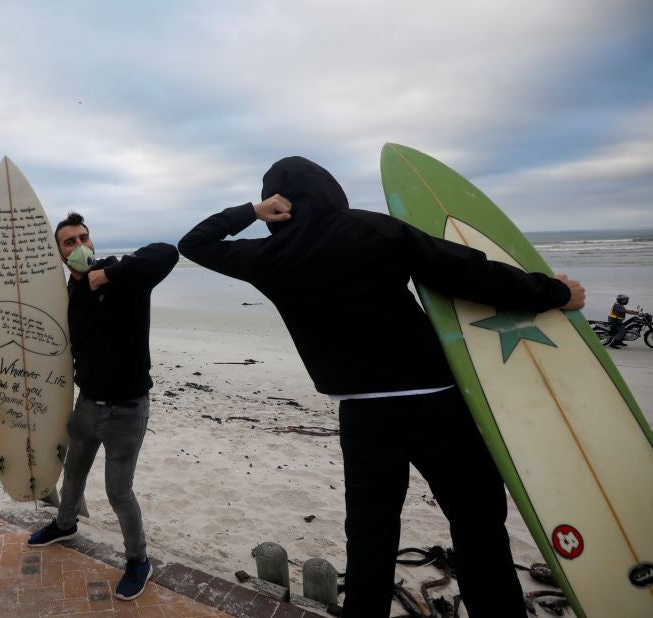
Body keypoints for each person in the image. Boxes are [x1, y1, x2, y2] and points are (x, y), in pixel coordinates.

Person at [178, 156, 586, 617]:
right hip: (436, 402)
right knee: (476, 523)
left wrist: (251, 211)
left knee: (370, 533)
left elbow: (194, 243)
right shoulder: (374, 228)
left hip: (362, 413)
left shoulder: (268, 256)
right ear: (331, 189)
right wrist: (550, 293)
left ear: (281, 200)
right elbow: (467, 272)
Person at [0, 212, 177, 601]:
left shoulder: (124, 278)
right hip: (85, 406)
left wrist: (108, 275)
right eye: (69, 242)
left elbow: (167, 252)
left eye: (84, 238)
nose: (79, 246)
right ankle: (65, 525)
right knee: (73, 473)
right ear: (58, 253)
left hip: (127, 410)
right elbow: (30, 344)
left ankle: (138, 560)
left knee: (119, 493)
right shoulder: (64, 299)